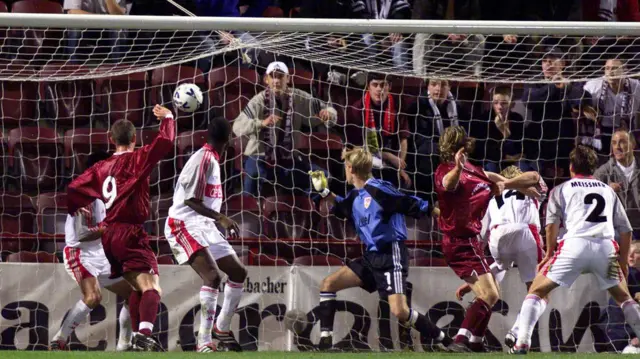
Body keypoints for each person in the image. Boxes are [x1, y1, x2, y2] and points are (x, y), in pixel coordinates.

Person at [307, 147, 449, 351]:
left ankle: (444, 339)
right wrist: (324, 191)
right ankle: (325, 340)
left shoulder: (379, 189)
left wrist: (443, 218)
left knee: (400, 311)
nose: (344, 171)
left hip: (391, 255)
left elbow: (410, 202)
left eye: (345, 167)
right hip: (371, 257)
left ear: (350, 169)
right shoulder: (355, 195)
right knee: (328, 284)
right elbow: (342, 206)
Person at [66, 105, 176, 352]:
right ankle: (144, 334)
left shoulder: (100, 168)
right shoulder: (138, 158)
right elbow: (166, 141)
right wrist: (168, 118)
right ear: (135, 139)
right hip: (129, 232)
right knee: (152, 288)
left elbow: (73, 188)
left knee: (137, 288)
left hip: (109, 236)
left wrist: (79, 207)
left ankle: (137, 337)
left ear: (111, 140)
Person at [511, 145, 640, 354]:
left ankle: (522, 342)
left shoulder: (561, 189)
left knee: (536, 290)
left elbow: (551, 224)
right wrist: (623, 261)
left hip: (574, 247)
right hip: (604, 248)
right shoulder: (607, 190)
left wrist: (550, 253)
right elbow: (626, 230)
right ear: (593, 167)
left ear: (571, 167)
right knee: (624, 297)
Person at [434, 125, 541, 352]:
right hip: (459, 241)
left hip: (471, 242)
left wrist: (515, 185)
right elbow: (448, 185)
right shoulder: (444, 170)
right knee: (490, 294)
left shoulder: (475, 171)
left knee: (491, 294)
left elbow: (508, 178)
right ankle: (460, 341)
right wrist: (458, 168)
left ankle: (475, 341)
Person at [164, 117, 247, 352]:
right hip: (183, 223)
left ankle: (222, 327)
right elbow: (191, 200)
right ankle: (204, 342)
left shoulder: (212, 158)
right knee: (212, 277)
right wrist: (221, 218)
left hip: (203, 224)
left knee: (238, 272)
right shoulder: (204, 159)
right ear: (228, 139)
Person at [454, 165, 547, 349]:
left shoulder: (490, 197)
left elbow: (481, 235)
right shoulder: (533, 191)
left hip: (497, 237)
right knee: (538, 290)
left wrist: (476, 275)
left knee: (495, 274)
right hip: (525, 231)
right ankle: (517, 331)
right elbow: (536, 177)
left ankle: (467, 337)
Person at [51, 152, 134, 351]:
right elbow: (82, 235)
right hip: (79, 253)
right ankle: (58, 341)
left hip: (100, 254)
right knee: (93, 297)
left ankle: (125, 346)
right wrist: (109, 229)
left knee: (134, 295)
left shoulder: (104, 195)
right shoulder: (84, 196)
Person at [233, 61, 337, 197]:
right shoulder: (258, 101)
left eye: (280, 76)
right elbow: (237, 126)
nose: (276, 80)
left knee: (322, 178)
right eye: (273, 76)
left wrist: (328, 114)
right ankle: (250, 214)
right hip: (260, 157)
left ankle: (305, 211)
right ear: (266, 79)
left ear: (288, 78)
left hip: (288, 160)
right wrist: (261, 123)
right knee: (253, 174)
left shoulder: (299, 97)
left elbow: (329, 109)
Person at [345, 72, 411, 188]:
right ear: (368, 86)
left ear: (389, 87)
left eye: (383, 85)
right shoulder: (357, 108)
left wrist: (400, 166)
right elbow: (355, 148)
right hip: (366, 158)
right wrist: (387, 155)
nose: (379, 89)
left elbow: (403, 139)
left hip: (392, 161)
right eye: (375, 85)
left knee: (402, 182)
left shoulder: (398, 105)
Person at [594, 129, 640, 239]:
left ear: (633, 144)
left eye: (622, 142)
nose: (617, 147)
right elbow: (589, 195)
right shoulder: (603, 171)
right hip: (617, 230)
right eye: (614, 143)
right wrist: (606, 189)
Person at [471, 87, 529, 172]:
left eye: (504, 103)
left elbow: (520, 147)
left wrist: (505, 132)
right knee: (490, 168)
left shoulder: (517, 118)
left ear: (512, 104)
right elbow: (482, 148)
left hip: (513, 159)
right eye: (496, 103)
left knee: (523, 167)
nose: (500, 107)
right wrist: (504, 156)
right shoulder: (484, 119)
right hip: (492, 159)